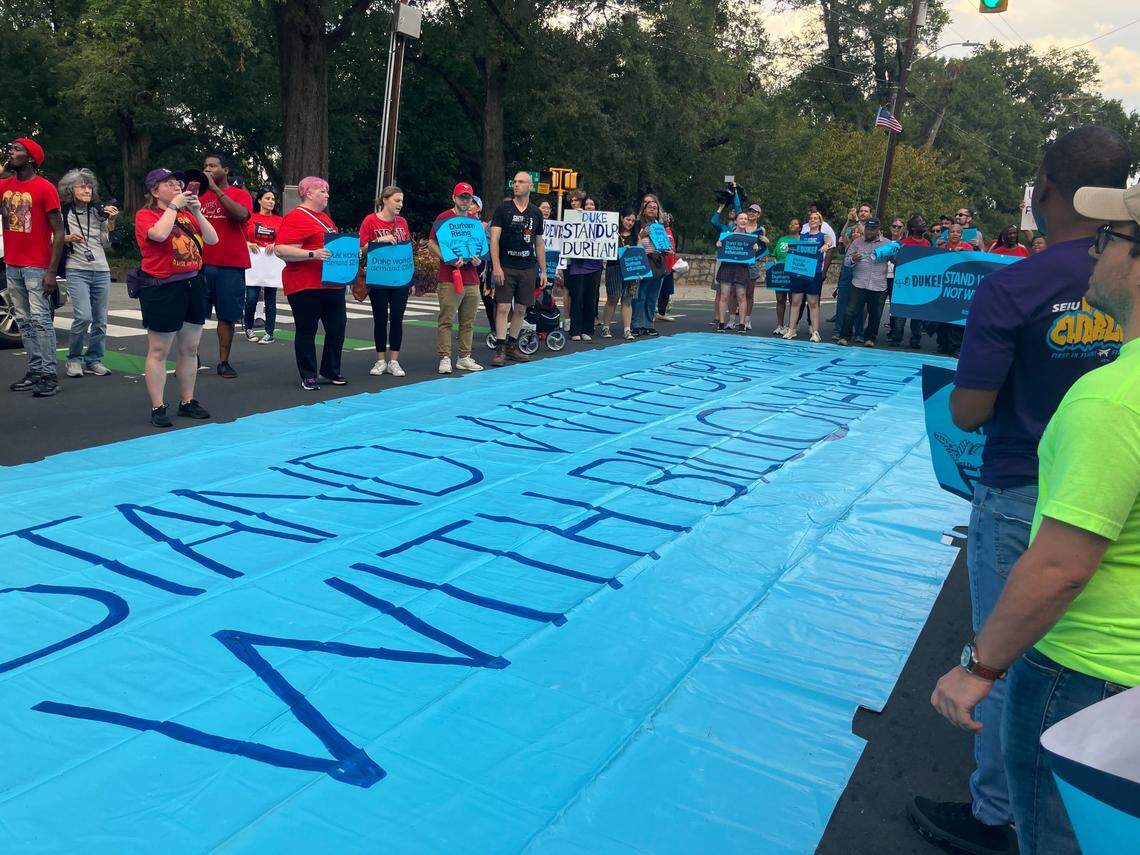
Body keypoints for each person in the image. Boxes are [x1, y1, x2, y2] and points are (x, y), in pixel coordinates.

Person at [909, 125, 1132, 855]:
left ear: (1044, 191)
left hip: (1027, 491)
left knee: (1011, 651)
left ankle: (998, 814)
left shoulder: (1020, 289)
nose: (1100, 259)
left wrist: (978, 664)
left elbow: (969, 408)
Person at [134, 168, 219, 427]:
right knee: (159, 349)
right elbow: (158, 235)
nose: (176, 187)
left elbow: (213, 239)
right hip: (162, 286)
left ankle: (187, 400)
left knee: (190, 348)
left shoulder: (186, 214)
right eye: (169, 184)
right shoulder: (146, 214)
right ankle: (158, 406)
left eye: (177, 184)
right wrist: (173, 207)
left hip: (192, 282)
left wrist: (195, 211)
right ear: (155, 190)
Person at [1, 137, 65, 397]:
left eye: (17, 150)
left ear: (30, 159)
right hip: (12, 265)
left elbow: (59, 232)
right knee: (24, 321)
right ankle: (35, 370)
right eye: (11, 149)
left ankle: (49, 374)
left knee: (41, 321)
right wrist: (4, 167)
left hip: (37, 266)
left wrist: (52, 271)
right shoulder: (5, 185)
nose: (11, 152)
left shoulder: (45, 188)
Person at [273, 176, 345, 391]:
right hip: (306, 283)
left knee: (337, 328)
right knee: (307, 329)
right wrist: (312, 253)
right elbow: (281, 249)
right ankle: (308, 374)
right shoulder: (296, 217)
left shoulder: (325, 218)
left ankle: (330, 370)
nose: (327, 195)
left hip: (332, 283)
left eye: (327, 191)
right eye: (323, 191)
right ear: (309, 193)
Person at [57, 168, 118, 378]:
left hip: (101, 269)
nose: (87, 189)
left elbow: (105, 243)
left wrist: (110, 222)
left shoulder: (96, 211)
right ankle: (73, 359)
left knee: (100, 319)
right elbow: (49, 238)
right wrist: (66, 238)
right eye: (82, 186)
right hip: (76, 268)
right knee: (83, 316)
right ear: (69, 190)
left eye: (89, 186)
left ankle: (94, 359)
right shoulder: (63, 212)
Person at [199, 153, 252, 379]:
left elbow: (241, 215)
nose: (208, 169)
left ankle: (223, 361)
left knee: (227, 315)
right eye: (205, 166)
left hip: (230, 265)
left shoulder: (240, 194)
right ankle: (192, 357)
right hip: (200, 264)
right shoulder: (197, 196)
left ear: (226, 170)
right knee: (193, 316)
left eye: (213, 166)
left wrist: (216, 190)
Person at [490, 171, 546, 366]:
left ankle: (512, 346)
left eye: (521, 182)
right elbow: (494, 239)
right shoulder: (503, 209)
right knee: (504, 306)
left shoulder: (535, 212)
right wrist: (496, 266)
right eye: (514, 182)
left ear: (530, 186)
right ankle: (500, 348)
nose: (516, 185)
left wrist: (544, 270)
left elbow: (539, 243)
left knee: (521, 308)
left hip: (527, 266)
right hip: (506, 264)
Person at [428, 182, 484, 374]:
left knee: (468, 321)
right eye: (461, 197)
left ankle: (464, 357)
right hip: (449, 276)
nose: (465, 200)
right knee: (447, 319)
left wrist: (478, 261)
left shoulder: (475, 221)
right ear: (454, 198)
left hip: (471, 277)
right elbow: (431, 244)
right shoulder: (443, 218)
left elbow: (480, 249)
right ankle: (445, 357)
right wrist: (447, 258)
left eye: (468, 197)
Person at [359, 185, 413, 378]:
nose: (400, 204)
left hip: (399, 276)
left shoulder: (403, 223)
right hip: (379, 276)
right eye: (397, 200)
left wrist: (410, 277)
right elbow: (361, 248)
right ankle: (380, 359)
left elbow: (406, 249)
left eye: (402, 201)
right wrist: (379, 241)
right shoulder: (370, 221)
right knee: (380, 318)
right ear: (385, 200)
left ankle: (394, 360)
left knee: (397, 318)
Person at [838, 217, 890, 347]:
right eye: (867, 229)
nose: (869, 232)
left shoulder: (887, 244)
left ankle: (870, 338)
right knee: (850, 311)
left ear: (878, 229)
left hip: (878, 285)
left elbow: (896, 261)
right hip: (859, 283)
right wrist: (853, 260)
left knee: (875, 314)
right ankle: (844, 336)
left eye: (872, 229)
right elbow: (846, 262)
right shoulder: (857, 242)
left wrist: (898, 253)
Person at [244, 187, 283, 344]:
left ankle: (269, 332)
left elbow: (285, 238)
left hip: (271, 262)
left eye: (273, 199)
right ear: (259, 200)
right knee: (251, 297)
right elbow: (241, 236)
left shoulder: (280, 220)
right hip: (254, 261)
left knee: (270, 298)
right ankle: (248, 327)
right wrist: (247, 243)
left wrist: (275, 243)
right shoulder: (250, 218)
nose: (271, 202)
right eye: (267, 198)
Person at [785, 211, 831, 342]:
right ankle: (791, 329)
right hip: (800, 272)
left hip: (814, 273)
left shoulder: (823, 236)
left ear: (820, 222)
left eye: (816, 218)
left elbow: (829, 241)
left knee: (813, 303)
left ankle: (815, 332)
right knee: (795, 301)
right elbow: (793, 249)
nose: (813, 220)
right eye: (811, 218)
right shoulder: (802, 236)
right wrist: (790, 249)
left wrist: (826, 245)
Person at [888, 213, 930, 349]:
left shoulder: (928, 244)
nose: (923, 223)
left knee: (917, 314)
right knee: (901, 312)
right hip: (904, 284)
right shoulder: (903, 244)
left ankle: (915, 340)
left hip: (919, 284)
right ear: (912, 228)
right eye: (920, 222)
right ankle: (896, 337)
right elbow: (892, 258)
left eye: (923, 221)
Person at [632, 193, 672, 337]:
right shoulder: (637, 224)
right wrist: (642, 235)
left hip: (658, 261)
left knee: (652, 296)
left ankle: (649, 324)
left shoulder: (659, 226)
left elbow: (663, 243)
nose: (652, 210)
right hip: (643, 260)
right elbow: (633, 241)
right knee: (639, 295)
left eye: (655, 208)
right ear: (644, 209)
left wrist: (666, 249)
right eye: (650, 207)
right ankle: (636, 324)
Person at [565, 195, 604, 341]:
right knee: (577, 297)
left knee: (590, 298)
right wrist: (577, 214)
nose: (589, 206)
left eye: (592, 204)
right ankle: (575, 330)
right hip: (578, 265)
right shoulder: (576, 217)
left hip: (594, 266)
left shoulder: (603, 222)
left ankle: (587, 329)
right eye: (587, 204)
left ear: (596, 207)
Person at [715, 211, 753, 333]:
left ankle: (742, 324)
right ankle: (721, 323)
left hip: (741, 268)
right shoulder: (726, 235)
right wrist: (719, 244)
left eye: (745, 219)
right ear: (736, 221)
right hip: (727, 267)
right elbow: (720, 247)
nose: (743, 220)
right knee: (724, 295)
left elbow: (754, 254)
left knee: (742, 296)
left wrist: (755, 248)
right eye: (741, 218)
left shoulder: (750, 238)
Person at [602, 208, 637, 339]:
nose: (630, 223)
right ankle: (606, 327)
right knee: (613, 298)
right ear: (622, 218)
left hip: (631, 270)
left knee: (627, 299)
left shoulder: (635, 235)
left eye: (633, 221)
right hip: (614, 268)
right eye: (628, 219)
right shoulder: (612, 233)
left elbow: (639, 251)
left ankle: (627, 330)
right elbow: (606, 250)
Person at [769, 217, 800, 336]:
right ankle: (780, 325)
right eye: (791, 223)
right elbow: (774, 255)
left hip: (794, 273)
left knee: (794, 301)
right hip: (780, 274)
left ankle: (791, 326)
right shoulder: (782, 239)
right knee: (780, 299)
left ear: (799, 227)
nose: (792, 225)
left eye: (795, 224)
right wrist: (774, 261)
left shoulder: (801, 240)